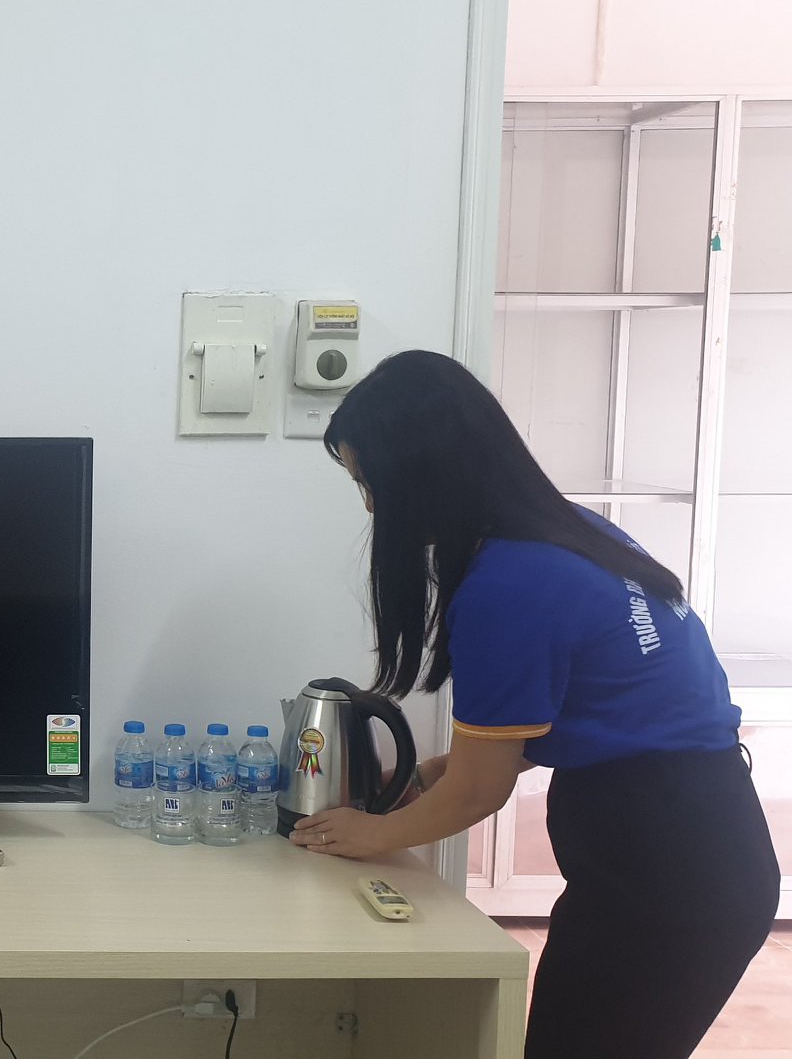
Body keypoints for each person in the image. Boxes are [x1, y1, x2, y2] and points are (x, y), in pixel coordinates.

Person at [288, 350, 778, 1058]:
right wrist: (426, 778)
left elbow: (479, 792)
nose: (371, 507)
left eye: (372, 484)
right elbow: (569, 723)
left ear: (424, 473)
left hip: (668, 875)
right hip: (704, 840)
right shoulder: (575, 534)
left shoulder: (509, 585)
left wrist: (371, 834)